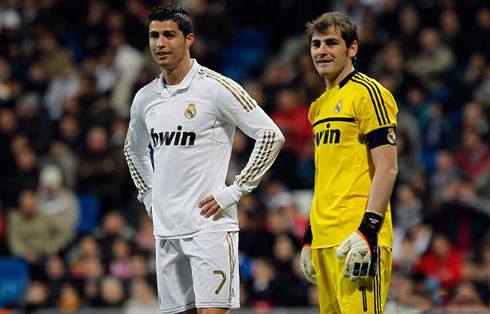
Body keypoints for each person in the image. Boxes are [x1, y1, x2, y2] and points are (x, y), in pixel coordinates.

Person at [124, 5, 284, 314]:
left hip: (209, 228)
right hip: (166, 231)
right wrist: (148, 196)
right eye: (154, 36)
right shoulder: (145, 98)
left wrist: (235, 191)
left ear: (189, 40)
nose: (160, 43)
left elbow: (270, 135)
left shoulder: (215, 88)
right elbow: (133, 149)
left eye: (169, 35)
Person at [299, 12, 398, 313]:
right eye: (316, 44)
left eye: (331, 43)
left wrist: (368, 231)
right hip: (325, 240)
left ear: (352, 48)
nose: (322, 51)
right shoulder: (318, 107)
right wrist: (309, 237)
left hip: (358, 236)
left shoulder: (370, 94)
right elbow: (327, 175)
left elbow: (388, 167)